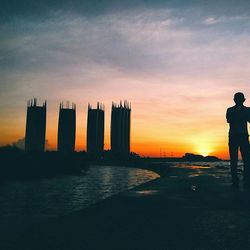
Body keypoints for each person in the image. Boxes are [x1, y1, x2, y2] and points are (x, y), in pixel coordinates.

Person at [226, 92, 250, 188]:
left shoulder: (230, 110)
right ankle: (243, 181)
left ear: (234, 100)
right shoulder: (246, 110)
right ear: (243, 100)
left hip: (236, 136)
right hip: (240, 136)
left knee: (235, 160)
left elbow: (229, 120)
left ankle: (237, 181)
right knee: (246, 160)